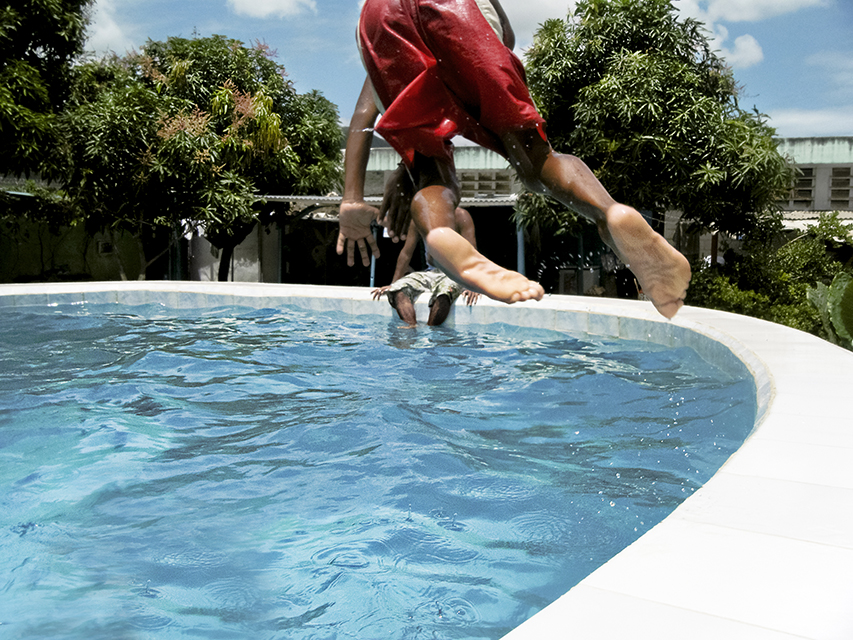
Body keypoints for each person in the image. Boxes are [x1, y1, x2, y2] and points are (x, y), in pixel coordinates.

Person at [337, 0, 690, 318]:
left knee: (430, 170)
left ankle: (441, 232)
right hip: (458, 10)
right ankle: (610, 211)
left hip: (381, 15)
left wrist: (352, 199)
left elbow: (362, 116)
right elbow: (503, 34)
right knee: (537, 160)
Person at [373, 209, 480, 326]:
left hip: (454, 273)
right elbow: (406, 253)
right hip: (430, 272)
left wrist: (473, 285)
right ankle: (410, 329)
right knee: (398, 290)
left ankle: (431, 332)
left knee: (443, 294)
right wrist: (394, 283)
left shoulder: (460, 216)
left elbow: (472, 253)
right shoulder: (419, 218)